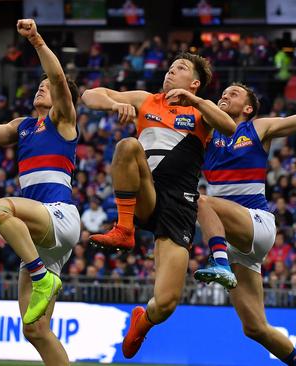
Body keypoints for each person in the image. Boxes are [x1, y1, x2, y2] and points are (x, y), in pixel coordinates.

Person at [81, 52, 236, 358]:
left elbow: (229, 127)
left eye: (179, 69)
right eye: (169, 67)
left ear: (193, 82)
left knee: (166, 303)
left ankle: (142, 323)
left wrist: (196, 101)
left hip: (179, 203)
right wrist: (115, 104)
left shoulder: (201, 112)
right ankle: (124, 228)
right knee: (127, 145)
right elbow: (88, 95)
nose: (169, 72)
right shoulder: (146, 99)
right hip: (147, 193)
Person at [0, 19, 79, 366]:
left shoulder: (64, 120)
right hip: (40, 233)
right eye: (38, 86)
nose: (42, 88)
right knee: (35, 330)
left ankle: (41, 276)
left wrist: (38, 41)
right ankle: (43, 275)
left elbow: (57, 79)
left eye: (47, 86)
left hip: (57, 214)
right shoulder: (22, 126)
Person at [194, 71, 296, 366]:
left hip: (256, 222)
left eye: (233, 94)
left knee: (201, 201)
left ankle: (218, 262)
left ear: (248, 108)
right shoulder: (207, 134)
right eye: (224, 92)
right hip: (234, 237)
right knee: (255, 328)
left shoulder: (258, 127)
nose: (224, 96)